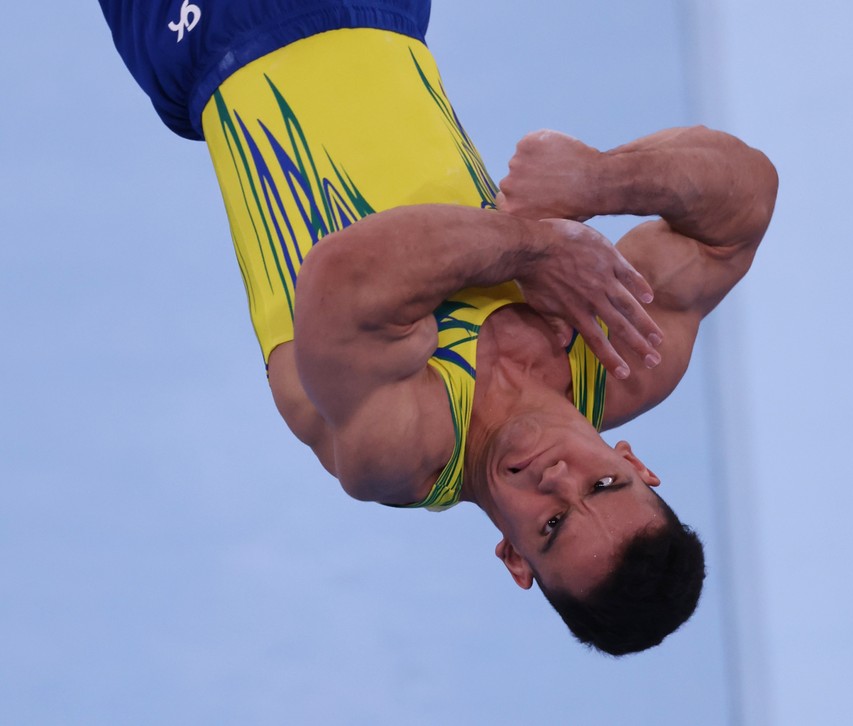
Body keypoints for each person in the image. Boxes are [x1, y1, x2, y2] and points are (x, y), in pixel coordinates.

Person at [99, 0, 778, 655]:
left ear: (514, 558)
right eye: (602, 484)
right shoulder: (624, 356)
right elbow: (743, 206)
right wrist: (605, 180)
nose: (557, 477)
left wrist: (535, 249)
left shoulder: (400, 448)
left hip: (219, 31)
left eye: (552, 525)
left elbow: (348, 273)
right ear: (634, 464)